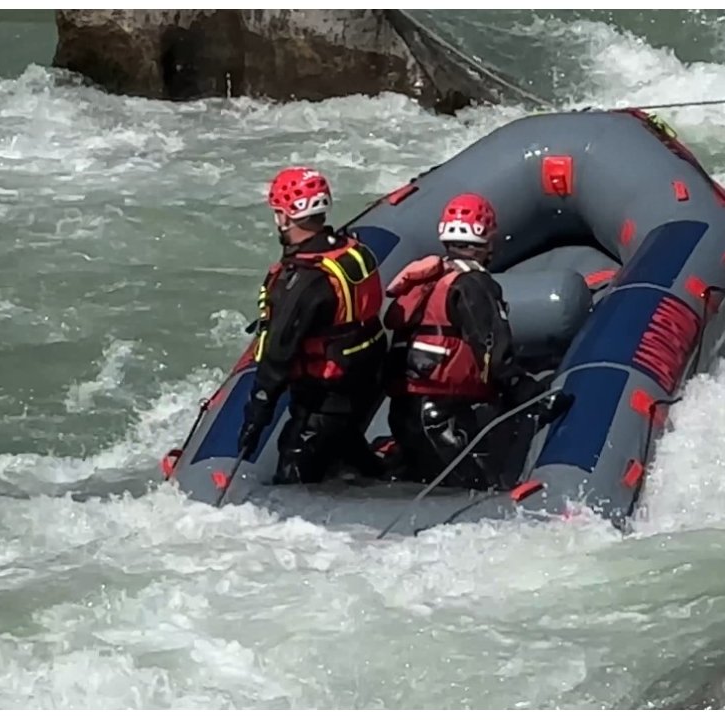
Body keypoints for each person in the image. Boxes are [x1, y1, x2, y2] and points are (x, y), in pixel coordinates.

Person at [381, 192, 571, 490]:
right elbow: (495, 353)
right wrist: (534, 397)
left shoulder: (433, 277)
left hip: (405, 411)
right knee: (473, 491)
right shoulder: (473, 284)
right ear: (487, 240)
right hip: (440, 418)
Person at [237, 166, 389, 485]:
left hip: (326, 394)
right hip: (365, 378)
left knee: (295, 464)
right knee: (344, 442)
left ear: (285, 216)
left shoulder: (305, 280)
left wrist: (257, 414)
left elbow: (279, 354)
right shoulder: (350, 250)